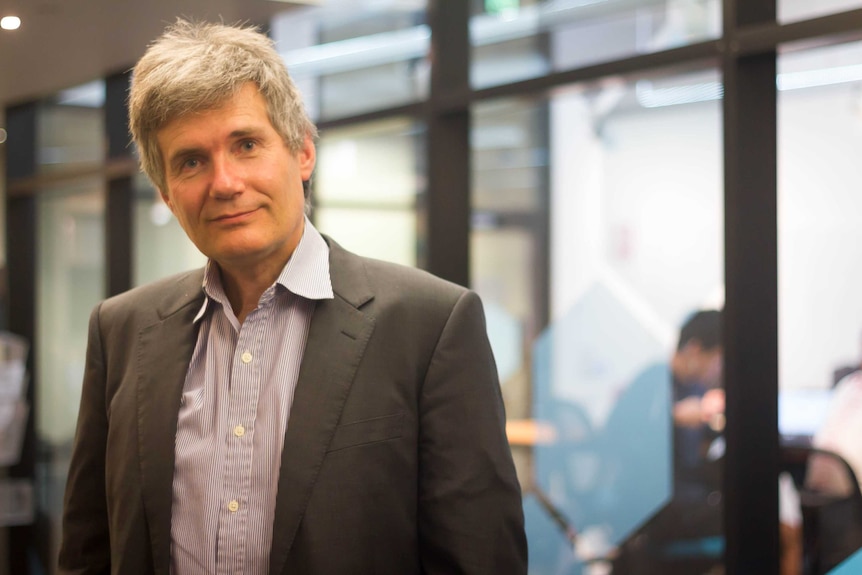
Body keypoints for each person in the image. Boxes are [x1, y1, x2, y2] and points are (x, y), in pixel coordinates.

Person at [58, 20, 527, 575]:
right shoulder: (121, 330)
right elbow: (88, 551)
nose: (225, 182)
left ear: (303, 152)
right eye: (191, 161)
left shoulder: (431, 326)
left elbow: (480, 558)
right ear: (165, 191)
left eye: (247, 145)